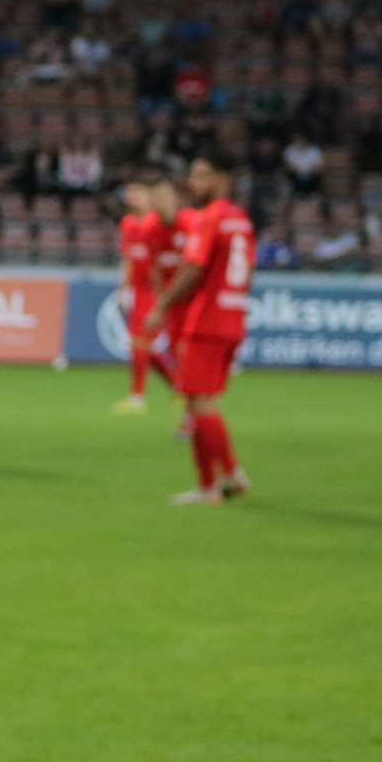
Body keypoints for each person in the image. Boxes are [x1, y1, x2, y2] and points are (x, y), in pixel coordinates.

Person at [148, 155, 254, 505]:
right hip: (233, 318)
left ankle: (219, 481)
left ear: (222, 179)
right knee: (202, 401)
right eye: (192, 175)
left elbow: (193, 268)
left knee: (200, 403)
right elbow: (248, 271)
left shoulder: (210, 217)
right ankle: (224, 479)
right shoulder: (240, 219)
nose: (194, 182)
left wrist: (161, 306)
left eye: (202, 176)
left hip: (207, 322)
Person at [112, 177, 180, 413]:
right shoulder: (128, 223)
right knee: (144, 346)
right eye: (129, 193)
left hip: (153, 291)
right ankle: (179, 387)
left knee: (140, 342)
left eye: (138, 192)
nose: (133, 197)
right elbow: (128, 259)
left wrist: (162, 295)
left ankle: (137, 398)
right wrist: (123, 289)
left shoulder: (156, 223)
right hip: (137, 290)